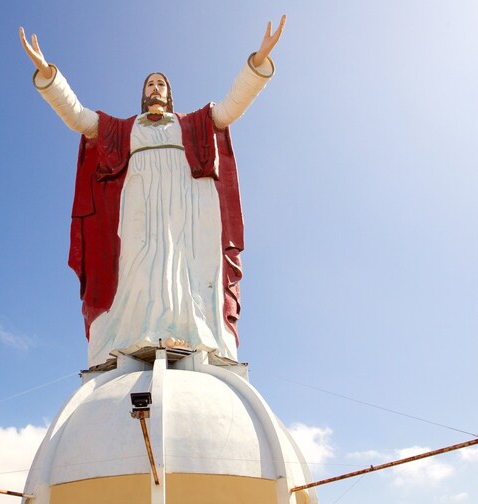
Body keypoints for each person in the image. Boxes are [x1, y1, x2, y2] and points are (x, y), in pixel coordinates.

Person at [20, 17, 285, 367]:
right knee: (135, 260)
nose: (156, 87)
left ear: (169, 93)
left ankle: (190, 332)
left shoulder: (193, 123)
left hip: (186, 201)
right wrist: (49, 76)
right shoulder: (123, 129)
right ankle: (135, 332)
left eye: (161, 83)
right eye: (150, 83)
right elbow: (79, 119)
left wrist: (258, 63)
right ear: (143, 94)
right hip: (138, 199)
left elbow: (230, 109)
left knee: (185, 264)